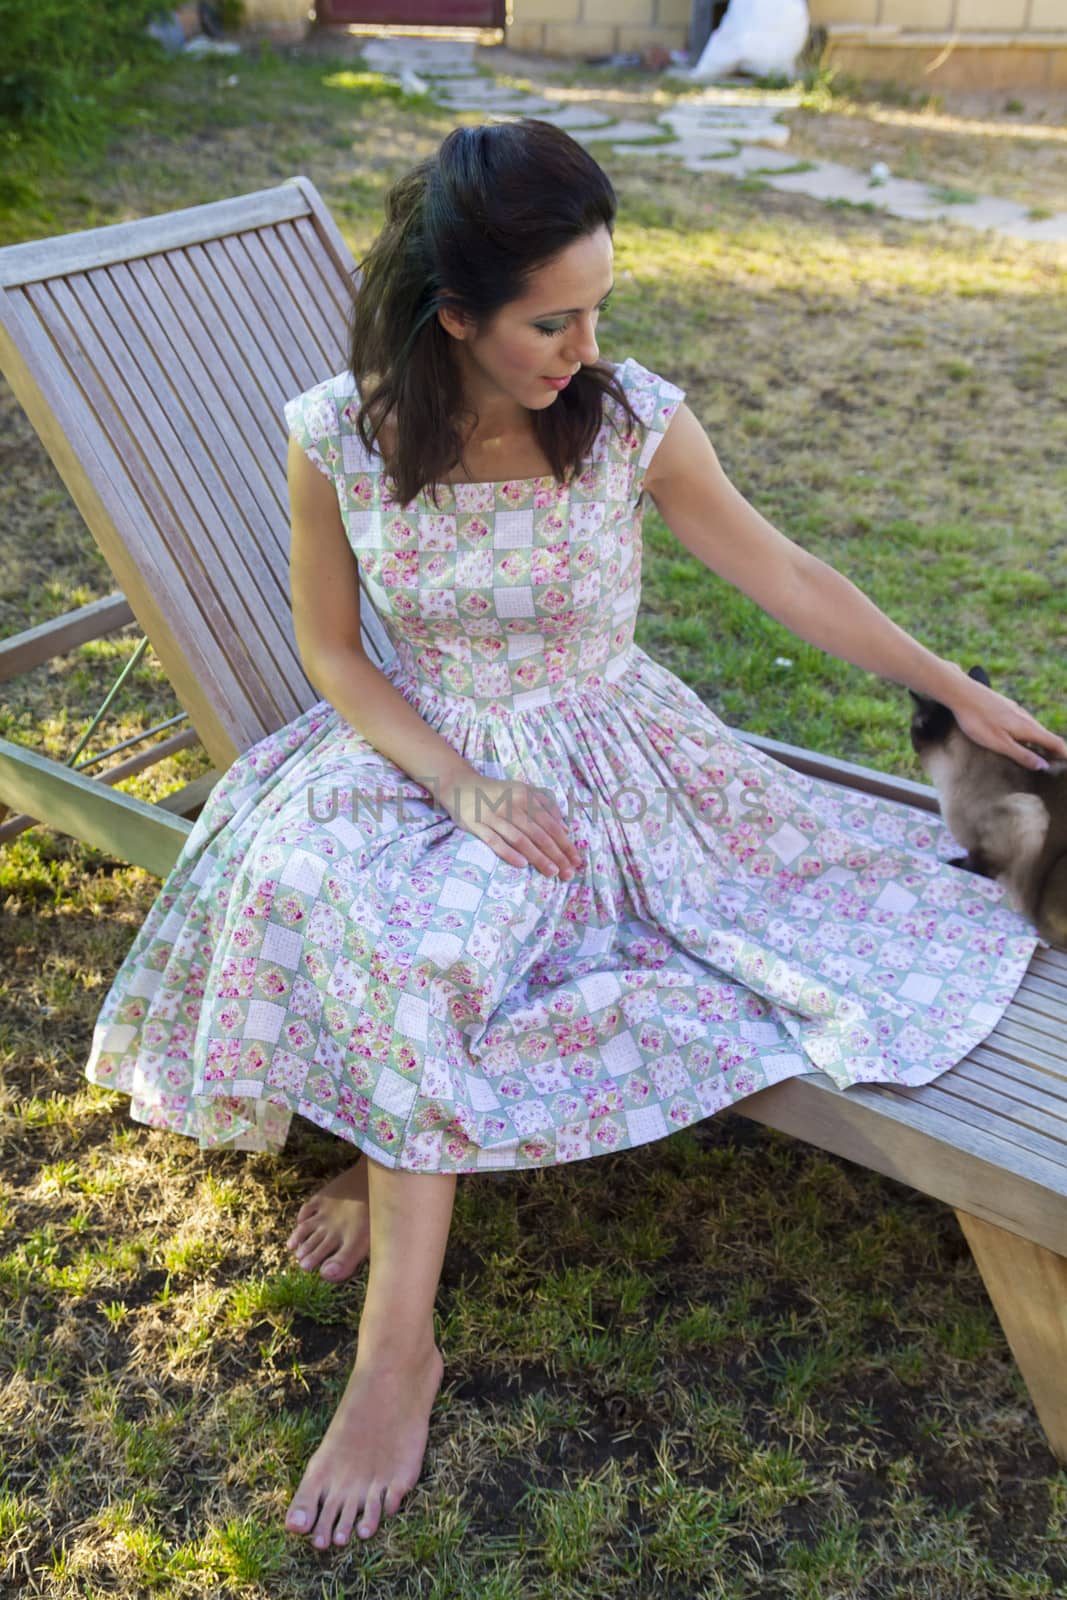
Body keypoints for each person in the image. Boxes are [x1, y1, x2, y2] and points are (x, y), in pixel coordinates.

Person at [83, 119, 1066, 1553]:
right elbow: (335, 657)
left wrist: (951, 685)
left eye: (599, 305)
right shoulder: (338, 439)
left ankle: (390, 1251)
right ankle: (391, 1258)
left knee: (479, 943)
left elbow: (781, 567)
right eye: (554, 319)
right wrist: (465, 786)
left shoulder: (629, 421)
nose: (585, 344)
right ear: (455, 313)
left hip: (614, 757)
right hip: (418, 748)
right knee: (346, 898)